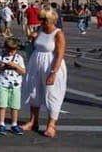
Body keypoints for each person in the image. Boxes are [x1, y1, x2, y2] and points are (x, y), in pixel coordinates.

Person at [20, 8, 67, 138]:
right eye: (40, 18)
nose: (40, 21)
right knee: (33, 92)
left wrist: (53, 72)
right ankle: (33, 121)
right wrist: (32, 37)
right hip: (36, 63)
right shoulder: (40, 30)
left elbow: (60, 54)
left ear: (51, 20)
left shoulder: (58, 33)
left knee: (52, 93)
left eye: (43, 19)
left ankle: (51, 125)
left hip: (50, 65)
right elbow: (35, 45)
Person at [0, 37, 26, 135]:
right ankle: (1, 124)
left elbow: (23, 71)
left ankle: (14, 124)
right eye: (8, 50)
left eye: (13, 51)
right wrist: (0, 66)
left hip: (16, 85)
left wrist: (15, 66)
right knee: (2, 105)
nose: (10, 53)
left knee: (15, 106)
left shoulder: (19, 58)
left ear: (16, 50)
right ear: (5, 48)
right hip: (3, 83)